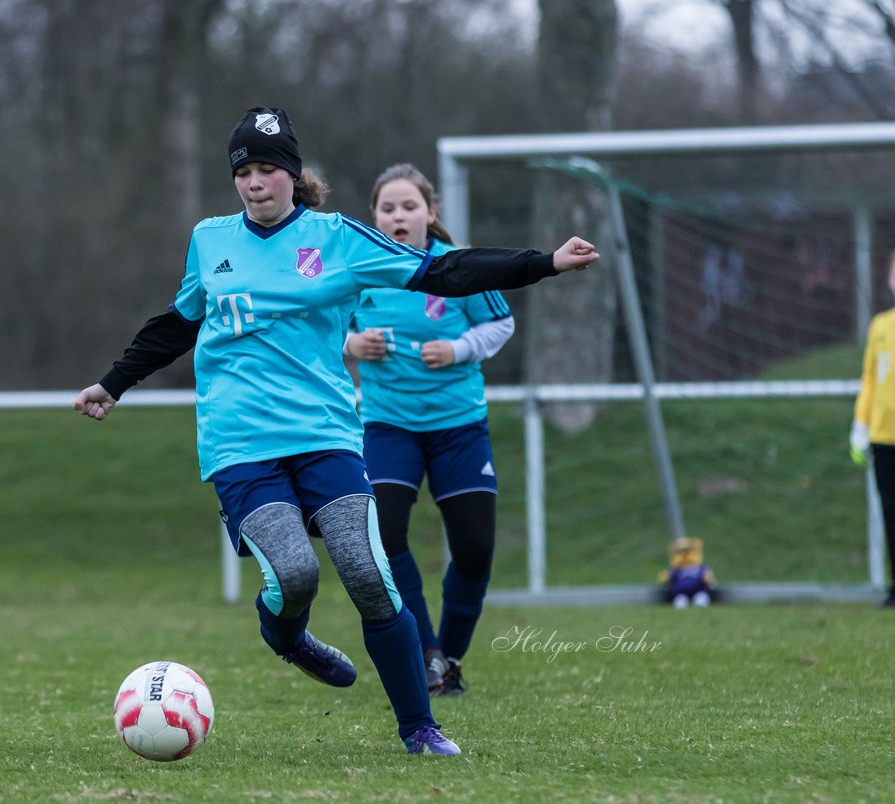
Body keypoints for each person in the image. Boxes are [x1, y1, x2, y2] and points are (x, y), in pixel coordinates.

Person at [73, 106, 600, 755]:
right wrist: (113, 382)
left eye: (267, 168)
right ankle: (288, 636)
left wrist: (544, 262)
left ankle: (420, 728)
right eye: (244, 170)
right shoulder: (211, 241)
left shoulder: (339, 239)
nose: (255, 181)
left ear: (292, 175)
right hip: (239, 445)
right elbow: (177, 325)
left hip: (326, 436)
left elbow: (446, 271)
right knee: (295, 576)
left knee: (368, 575)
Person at [345, 163, 510, 696]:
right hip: (387, 425)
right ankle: (427, 654)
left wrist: (459, 348)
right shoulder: (359, 271)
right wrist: (350, 345)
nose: (398, 216)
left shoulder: (456, 268)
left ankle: (451, 657)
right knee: (384, 536)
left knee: (475, 548)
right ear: (375, 217)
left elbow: (501, 322)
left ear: (430, 214)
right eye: (388, 208)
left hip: (458, 426)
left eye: (409, 206)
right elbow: (321, 327)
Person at [849, 248, 895, 609]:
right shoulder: (880, 326)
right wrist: (860, 424)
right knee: (890, 513)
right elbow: (869, 379)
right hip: (883, 438)